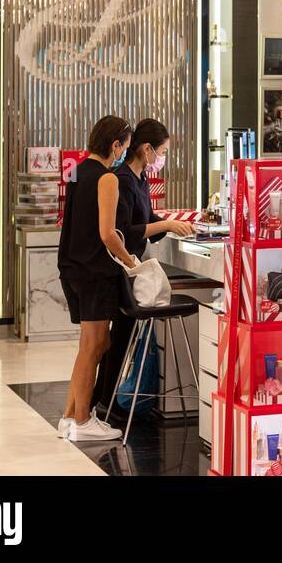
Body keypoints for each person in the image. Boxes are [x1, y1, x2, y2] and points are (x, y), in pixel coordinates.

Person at [92, 119, 193, 418]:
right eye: (161, 152)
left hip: (132, 266)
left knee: (122, 337)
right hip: (122, 266)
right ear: (146, 149)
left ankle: (105, 398)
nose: (162, 159)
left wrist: (173, 226)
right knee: (117, 337)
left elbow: (148, 218)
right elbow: (123, 230)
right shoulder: (121, 179)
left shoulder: (141, 179)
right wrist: (165, 224)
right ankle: (104, 399)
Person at [57, 116, 138, 442]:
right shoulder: (107, 179)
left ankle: (68, 416)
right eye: (124, 148)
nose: (123, 154)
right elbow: (107, 233)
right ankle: (83, 420)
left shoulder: (77, 171)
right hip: (95, 271)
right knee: (94, 346)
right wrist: (130, 260)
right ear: (115, 145)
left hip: (73, 267)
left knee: (92, 344)